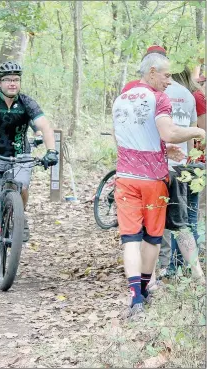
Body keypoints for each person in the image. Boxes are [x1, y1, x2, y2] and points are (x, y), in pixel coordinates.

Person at [113, 52, 205, 319]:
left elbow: (133, 137)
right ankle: (144, 290)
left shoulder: (121, 99)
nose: (169, 81)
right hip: (153, 181)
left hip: (125, 177)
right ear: (152, 72)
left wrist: (165, 150)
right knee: (152, 239)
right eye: (166, 75)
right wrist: (198, 132)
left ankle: (136, 299)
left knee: (130, 238)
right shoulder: (158, 98)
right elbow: (169, 131)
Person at [0, 61, 58, 258]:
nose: (12, 83)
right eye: (8, 80)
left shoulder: (27, 102)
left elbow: (44, 126)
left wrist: (52, 151)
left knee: (22, 188)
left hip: (21, 157)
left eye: (16, 80)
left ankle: (19, 217)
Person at [159, 67, 206, 277]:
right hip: (191, 164)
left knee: (181, 220)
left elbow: (199, 134)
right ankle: (187, 268)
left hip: (182, 165)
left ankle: (177, 267)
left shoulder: (191, 96)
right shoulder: (191, 96)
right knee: (188, 219)